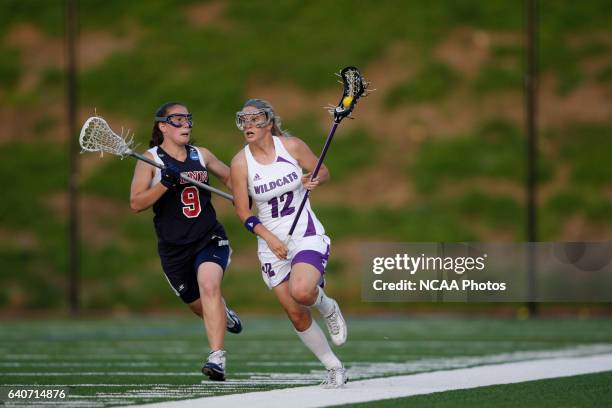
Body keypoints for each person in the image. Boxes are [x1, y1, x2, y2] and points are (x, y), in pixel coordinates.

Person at [230, 99, 348, 388]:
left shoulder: (291, 146)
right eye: (244, 120)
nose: (249, 125)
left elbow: (324, 171)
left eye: (255, 119)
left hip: (304, 232)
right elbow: (243, 212)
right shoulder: (240, 163)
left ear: (269, 123)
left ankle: (328, 306)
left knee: (303, 292)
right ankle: (334, 367)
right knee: (295, 313)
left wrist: (315, 178)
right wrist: (269, 238)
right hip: (270, 243)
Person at [130, 102, 242, 382]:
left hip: (209, 237)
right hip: (173, 248)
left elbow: (231, 178)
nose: (186, 125)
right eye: (178, 120)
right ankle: (224, 314)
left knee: (209, 285)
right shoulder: (151, 160)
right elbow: (136, 203)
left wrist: (249, 195)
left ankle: (216, 358)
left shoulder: (200, 155)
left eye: (188, 119)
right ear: (163, 126)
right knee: (199, 305)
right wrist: (164, 184)